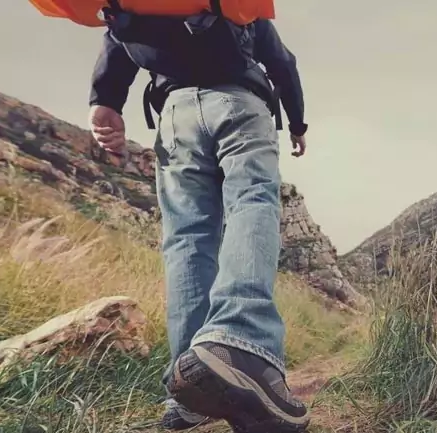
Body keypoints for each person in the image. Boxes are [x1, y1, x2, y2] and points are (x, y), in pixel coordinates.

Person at [87, 5, 310, 431]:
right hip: (239, 103)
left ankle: (189, 390)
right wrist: (297, 121)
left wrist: (105, 101)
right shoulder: (229, 6)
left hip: (175, 117)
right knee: (252, 203)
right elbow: (281, 61)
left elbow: (115, 42)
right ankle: (240, 341)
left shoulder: (136, 7)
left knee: (187, 238)